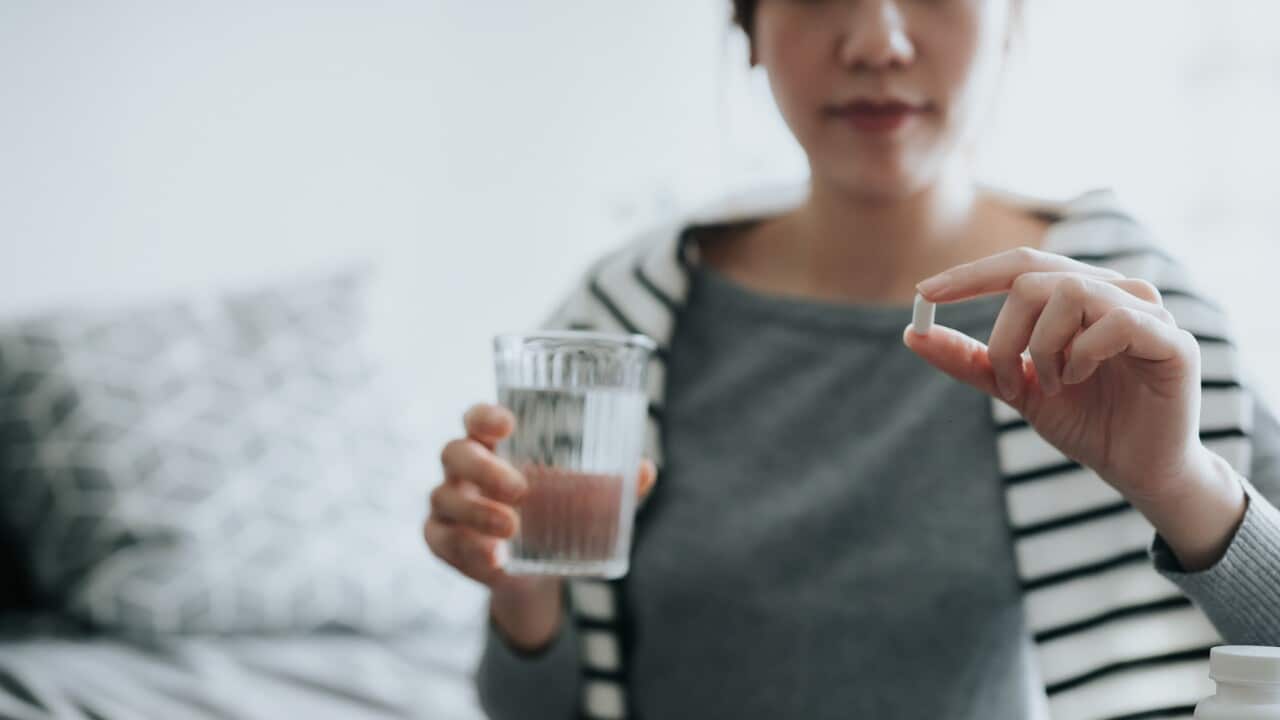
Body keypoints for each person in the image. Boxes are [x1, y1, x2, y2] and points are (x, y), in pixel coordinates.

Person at [425, 1, 1280, 717]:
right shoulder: (622, 319)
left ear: (1011, 19)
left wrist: (1177, 484)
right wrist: (521, 595)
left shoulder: (1137, 330)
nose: (877, 42)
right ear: (749, 30)